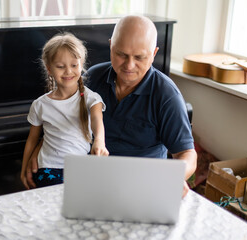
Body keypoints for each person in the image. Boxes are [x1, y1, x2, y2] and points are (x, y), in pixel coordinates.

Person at [23, 16, 197, 197]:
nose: (129, 65)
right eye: (121, 54)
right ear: (110, 46)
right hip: (90, 181)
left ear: (153, 54)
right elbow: (66, 116)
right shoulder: (93, 77)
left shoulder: (167, 95)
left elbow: (187, 154)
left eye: (139, 57)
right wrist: (40, 147)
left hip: (140, 187)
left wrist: (172, 176)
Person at [20, 33, 109, 190]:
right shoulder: (40, 104)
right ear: (49, 69)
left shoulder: (91, 98)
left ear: (81, 65)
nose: (68, 71)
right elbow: (32, 139)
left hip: (79, 167)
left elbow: (97, 120)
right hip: (48, 168)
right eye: (60, 66)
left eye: (74, 65)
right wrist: (23, 168)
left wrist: (99, 140)